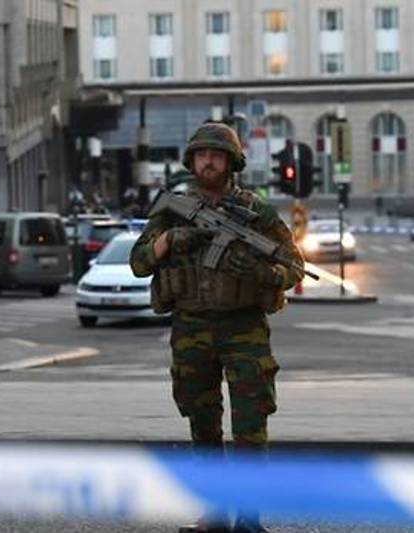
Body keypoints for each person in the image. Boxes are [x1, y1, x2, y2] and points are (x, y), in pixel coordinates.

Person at [130, 122, 304, 533]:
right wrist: (172, 241)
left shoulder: (255, 211)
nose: (209, 161)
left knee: (250, 425)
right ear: (192, 161)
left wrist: (262, 271)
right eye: (202, 154)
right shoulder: (173, 207)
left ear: (232, 162)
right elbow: (139, 262)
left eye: (217, 154)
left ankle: (248, 517)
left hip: (243, 326)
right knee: (201, 423)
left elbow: (293, 266)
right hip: (191, 326)